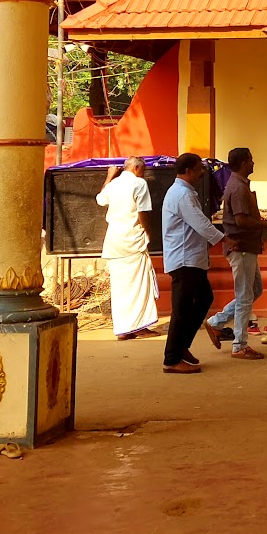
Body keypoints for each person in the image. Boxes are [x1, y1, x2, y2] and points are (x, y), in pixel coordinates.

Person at [204, 147, 267, 361]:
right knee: (245, 297)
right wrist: (266, 225)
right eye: (251, 160)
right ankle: (240, 345)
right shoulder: (238, 188)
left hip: (246, 247)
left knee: (255, 290)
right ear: (244, 162)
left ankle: (217, 322)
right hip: (241, 247)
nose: (254, 163)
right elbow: (242, 220)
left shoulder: (237, 185)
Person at [159, 152, 223, 373]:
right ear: (187, 171)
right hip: (184, 259)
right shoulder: (182, 195)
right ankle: (171, 359)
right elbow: (201, 224)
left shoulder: (184, 192)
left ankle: (182, 345)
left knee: (204, 299)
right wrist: (223, 240)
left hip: (191, 258)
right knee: (182, 310)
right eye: (198, 169)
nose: (201, 173)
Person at [97, 157, 161, 340]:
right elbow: (143, 212)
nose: (144, 173)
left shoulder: (114, 184)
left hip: (114, 241)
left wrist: (109, 176)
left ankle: (124, 328)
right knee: (138, 285)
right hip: (133, 239)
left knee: (120, 287)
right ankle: (138, 326)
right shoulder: (139, 183)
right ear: (136, 168)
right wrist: (149, 232)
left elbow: (100, 199)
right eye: (143, 170)